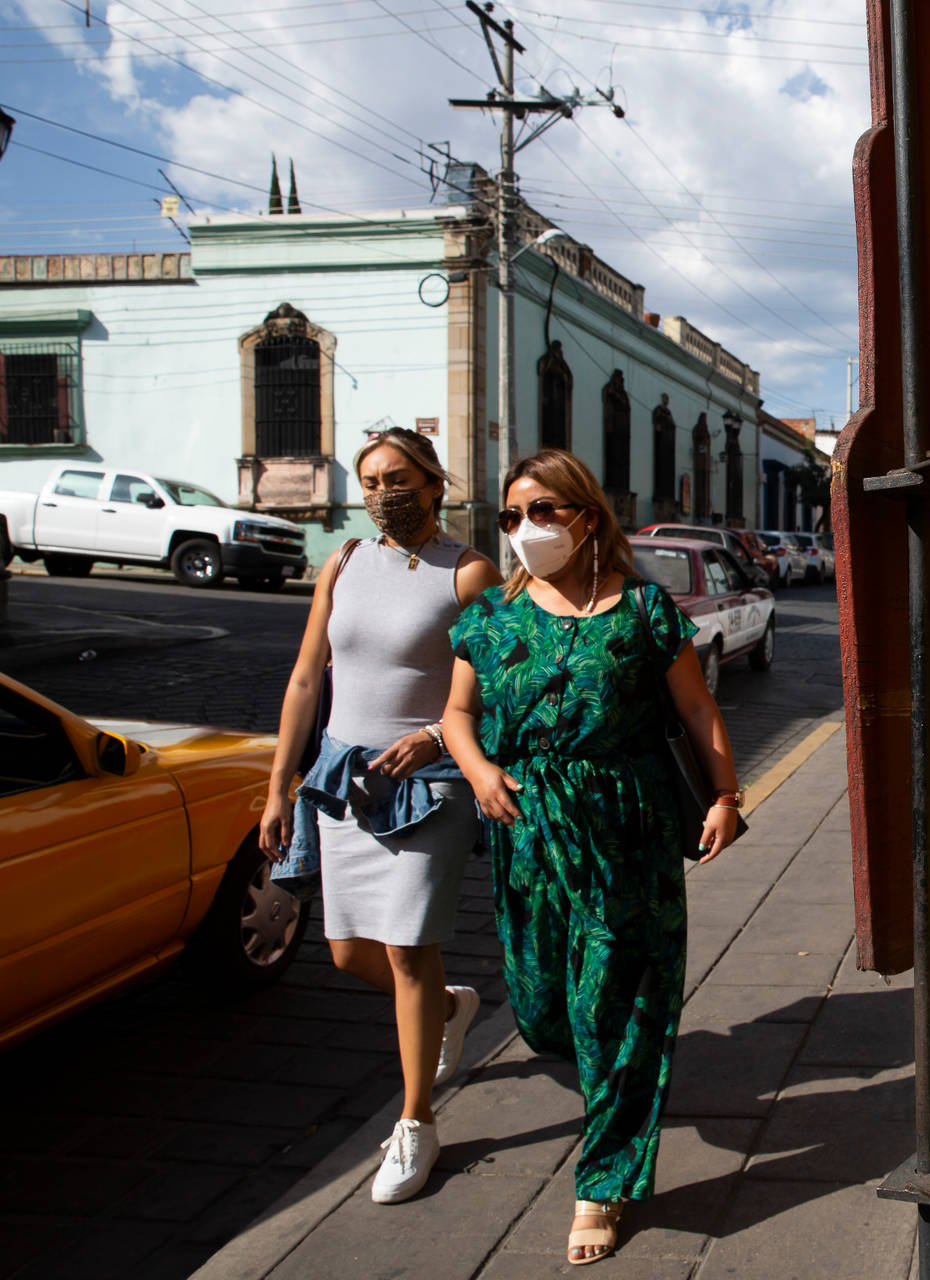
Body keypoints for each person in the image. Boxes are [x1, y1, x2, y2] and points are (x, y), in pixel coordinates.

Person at [441, 448, 744, 1266]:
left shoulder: (644, 611)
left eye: (542, 511)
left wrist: (725, 796)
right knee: (543, 1011)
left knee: (615, 1006)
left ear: (585, 515)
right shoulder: (493, 618)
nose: (524, 530)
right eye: (511, 516)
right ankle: (603, 1080)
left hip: (628, 831)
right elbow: (457, 715)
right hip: (528, 830)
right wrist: (478, 770)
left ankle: (602, 1183)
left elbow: (696, 706)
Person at [262, 427, 502, 1205]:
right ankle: (449, 1006)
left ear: (434, 484)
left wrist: (433, 736)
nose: (380, 493)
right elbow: (306, 680)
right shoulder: (344, 561)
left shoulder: (467, 574)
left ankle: (416, 1123)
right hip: (345, 781)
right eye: (368, 481)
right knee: (343, 953)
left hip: (428, 788)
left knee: (405, 952)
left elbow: (500, 691)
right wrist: (278, 787)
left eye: (396, 478)